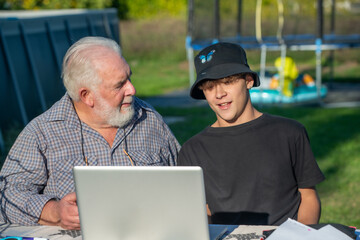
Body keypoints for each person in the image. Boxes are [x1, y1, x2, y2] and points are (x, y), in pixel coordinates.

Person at [0, 36, 180, 230]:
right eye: (119, 85)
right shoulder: (43, 133)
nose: (132, 89)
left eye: (129, 77)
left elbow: (184, 182)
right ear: (87, 96)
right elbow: (6, 195)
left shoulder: (149, 119)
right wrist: (55, 212)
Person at [177, 42, 325, 226]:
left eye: (228, 82)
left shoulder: (290, 132)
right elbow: (202, 211)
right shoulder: (192, 150)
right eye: (209, 87)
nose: (219, 94)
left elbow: (308, 197)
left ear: (248, 80)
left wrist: (301, 236)